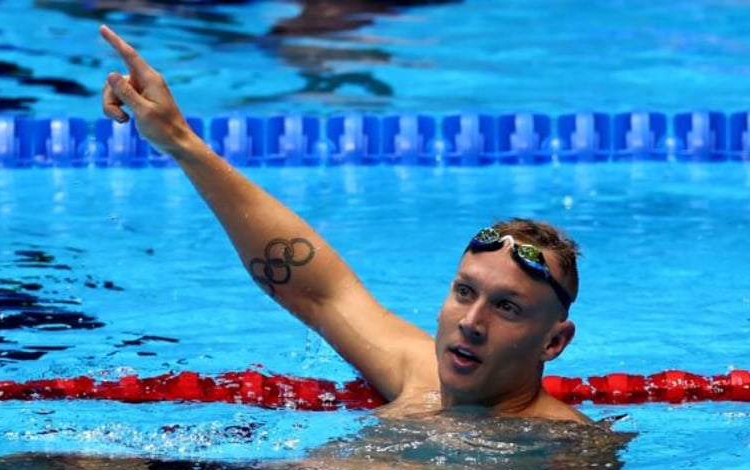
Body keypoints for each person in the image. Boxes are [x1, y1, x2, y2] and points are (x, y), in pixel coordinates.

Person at [97, 24, 586, 424]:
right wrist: (180, 140)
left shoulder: (566, 453)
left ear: (553, 342)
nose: (471, 322)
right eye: (464, 292)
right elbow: (319, 290)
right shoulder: (421, 375)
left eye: (506, 307)